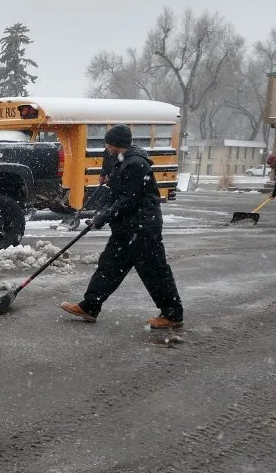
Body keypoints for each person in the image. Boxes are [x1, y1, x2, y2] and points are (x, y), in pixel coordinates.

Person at [60, 124, 184, 329]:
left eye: (109, 144)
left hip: (143, 229)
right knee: (108, 267)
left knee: (155, 271)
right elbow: (117, 195)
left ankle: (172, 314)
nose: (107, 148)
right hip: (126, 229)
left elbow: (129, 200)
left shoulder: (136, 164)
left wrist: (105, 217)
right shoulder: (123, 162)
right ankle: (90, 306)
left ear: (118, 144)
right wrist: (101, 214)